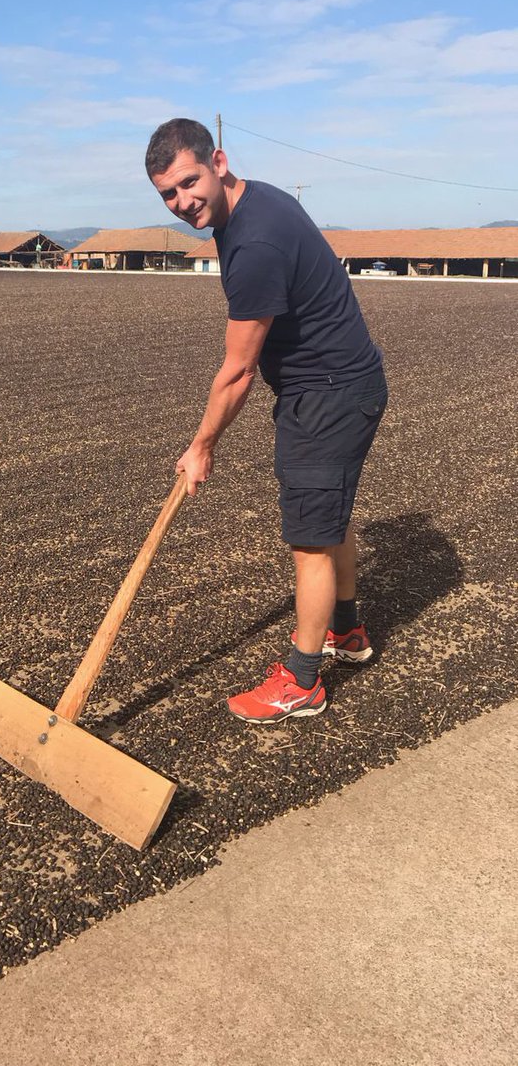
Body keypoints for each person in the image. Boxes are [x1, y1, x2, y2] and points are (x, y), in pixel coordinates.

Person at [145, 117, 387, 724]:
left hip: (325, 395)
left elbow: (237, 372)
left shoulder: (254, 244)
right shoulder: (252, 206)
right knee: (330, 519)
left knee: (309, 539)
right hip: (347, 384)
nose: (182, 202)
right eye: (169, 194)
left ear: (218, 161)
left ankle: (302, 682)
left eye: (188, 182)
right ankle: (347, 632)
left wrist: (201, 446)